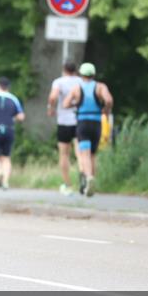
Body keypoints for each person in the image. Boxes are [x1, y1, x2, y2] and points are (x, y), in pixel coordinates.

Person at [63, 62, 114, 197]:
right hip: (97, 123)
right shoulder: (100, 87)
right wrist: (106, 111)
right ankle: (91, 181)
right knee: (92, 154)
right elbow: (109, 100)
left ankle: (88, 178)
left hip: (83, 123)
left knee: (84, 154)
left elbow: (65, 104)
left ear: (81, 74)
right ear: (93, 74)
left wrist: (77, 104)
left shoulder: (77, 88)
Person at [47, 62, 84, 195]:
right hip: (80, 120)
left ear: (64, 70)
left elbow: (53, 97)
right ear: (75, 71)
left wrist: (51, 108)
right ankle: (83, 177)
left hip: (63, 121)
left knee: (64, 154)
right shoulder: (81, 81)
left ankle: (67, 184)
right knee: (80, 153)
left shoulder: (59, 82)